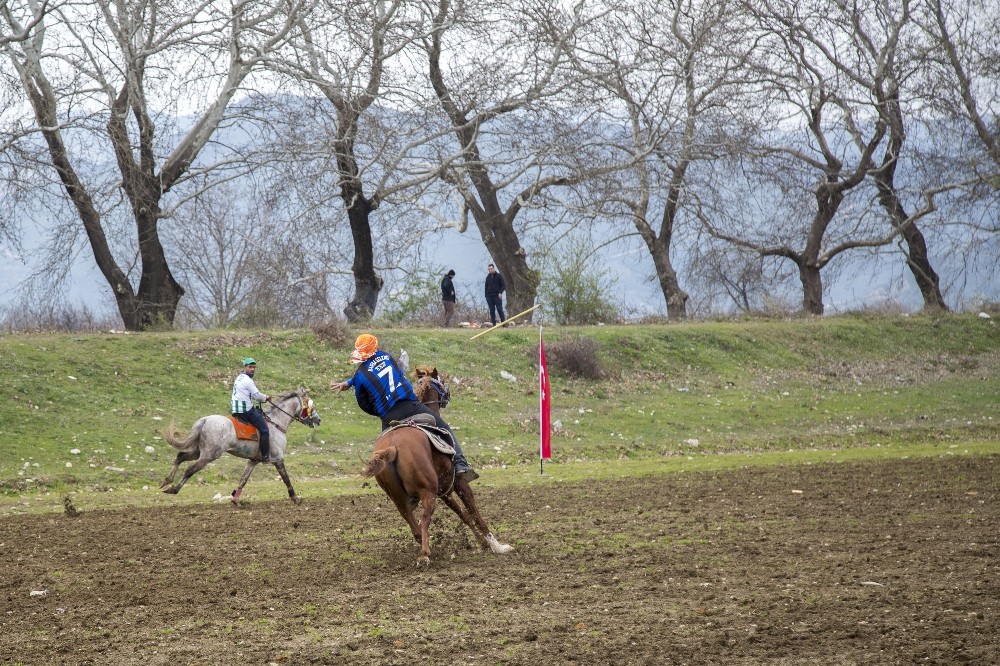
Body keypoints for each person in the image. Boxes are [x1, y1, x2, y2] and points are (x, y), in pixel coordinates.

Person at [330, 334, 479, 481]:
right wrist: (349, 382)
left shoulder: (359, 375)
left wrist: (377, 410)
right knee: (444, 427)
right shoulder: (387, 356)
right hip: (411, 406)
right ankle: (461, 464)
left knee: (383, 453)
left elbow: (363, 404)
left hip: (388, 416)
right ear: (375, 348)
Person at [231, 358, 272, 463]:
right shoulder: (248, 380)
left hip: (235, 409)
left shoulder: (239, 377)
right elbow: (257, 396)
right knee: (264, 429)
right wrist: (266, 397)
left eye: (254, 367)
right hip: (245, 410)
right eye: (250, 367)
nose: (252, 369)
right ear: (244, 367)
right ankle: (265, 456)